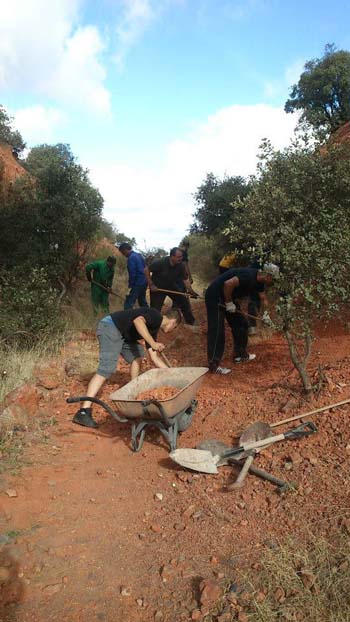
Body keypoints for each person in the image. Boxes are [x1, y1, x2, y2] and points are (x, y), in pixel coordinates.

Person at [72, 307, 182, 428]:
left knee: (138, 355)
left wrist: (171, 372)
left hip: (122, 334)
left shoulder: (153, 330)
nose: (173, 330)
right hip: (110, 327)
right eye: (175, 327)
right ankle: (83, 412)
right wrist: (153, 343)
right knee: (106, 369)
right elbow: (138, 321)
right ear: (173, 322)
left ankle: (133, 388)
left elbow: (154, 357)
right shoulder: (155, 316)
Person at [205, 264, 278, 374]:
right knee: (217, 330)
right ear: (267, 275)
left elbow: (263, 298)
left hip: (228, 296)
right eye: (273, 279)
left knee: (241, 324)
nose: (274, 282)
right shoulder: (248, 275)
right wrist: (229, 303)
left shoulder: (260, 283)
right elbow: (228, 284)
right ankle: (213, 366)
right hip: (215, 296)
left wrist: (265, 314)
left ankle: (240, 355)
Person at [145, 247, 198, 325]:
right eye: (178, 257)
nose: (181, 258)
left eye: (181, 256)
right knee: (155, 310)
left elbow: (185, 279)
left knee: (183, 301)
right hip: (158, 288)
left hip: (170, 285)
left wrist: (191, 291)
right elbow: (146, 270)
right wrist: (151, 284)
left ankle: (191, 322)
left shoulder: (181, 266)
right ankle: (151, 326)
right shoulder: (161, 262)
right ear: (172, 256)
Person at [117, 242, 148, 310]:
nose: (123, 255)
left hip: (137, 283)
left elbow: (132, 274)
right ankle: (150, 315)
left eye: (123, 252)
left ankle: (127, 318)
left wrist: (130, 286)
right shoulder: (139, 255)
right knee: (142, 301)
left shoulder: (131, 258)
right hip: (144, 282)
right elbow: (145, 268)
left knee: (128, 303)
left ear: (125, 250)